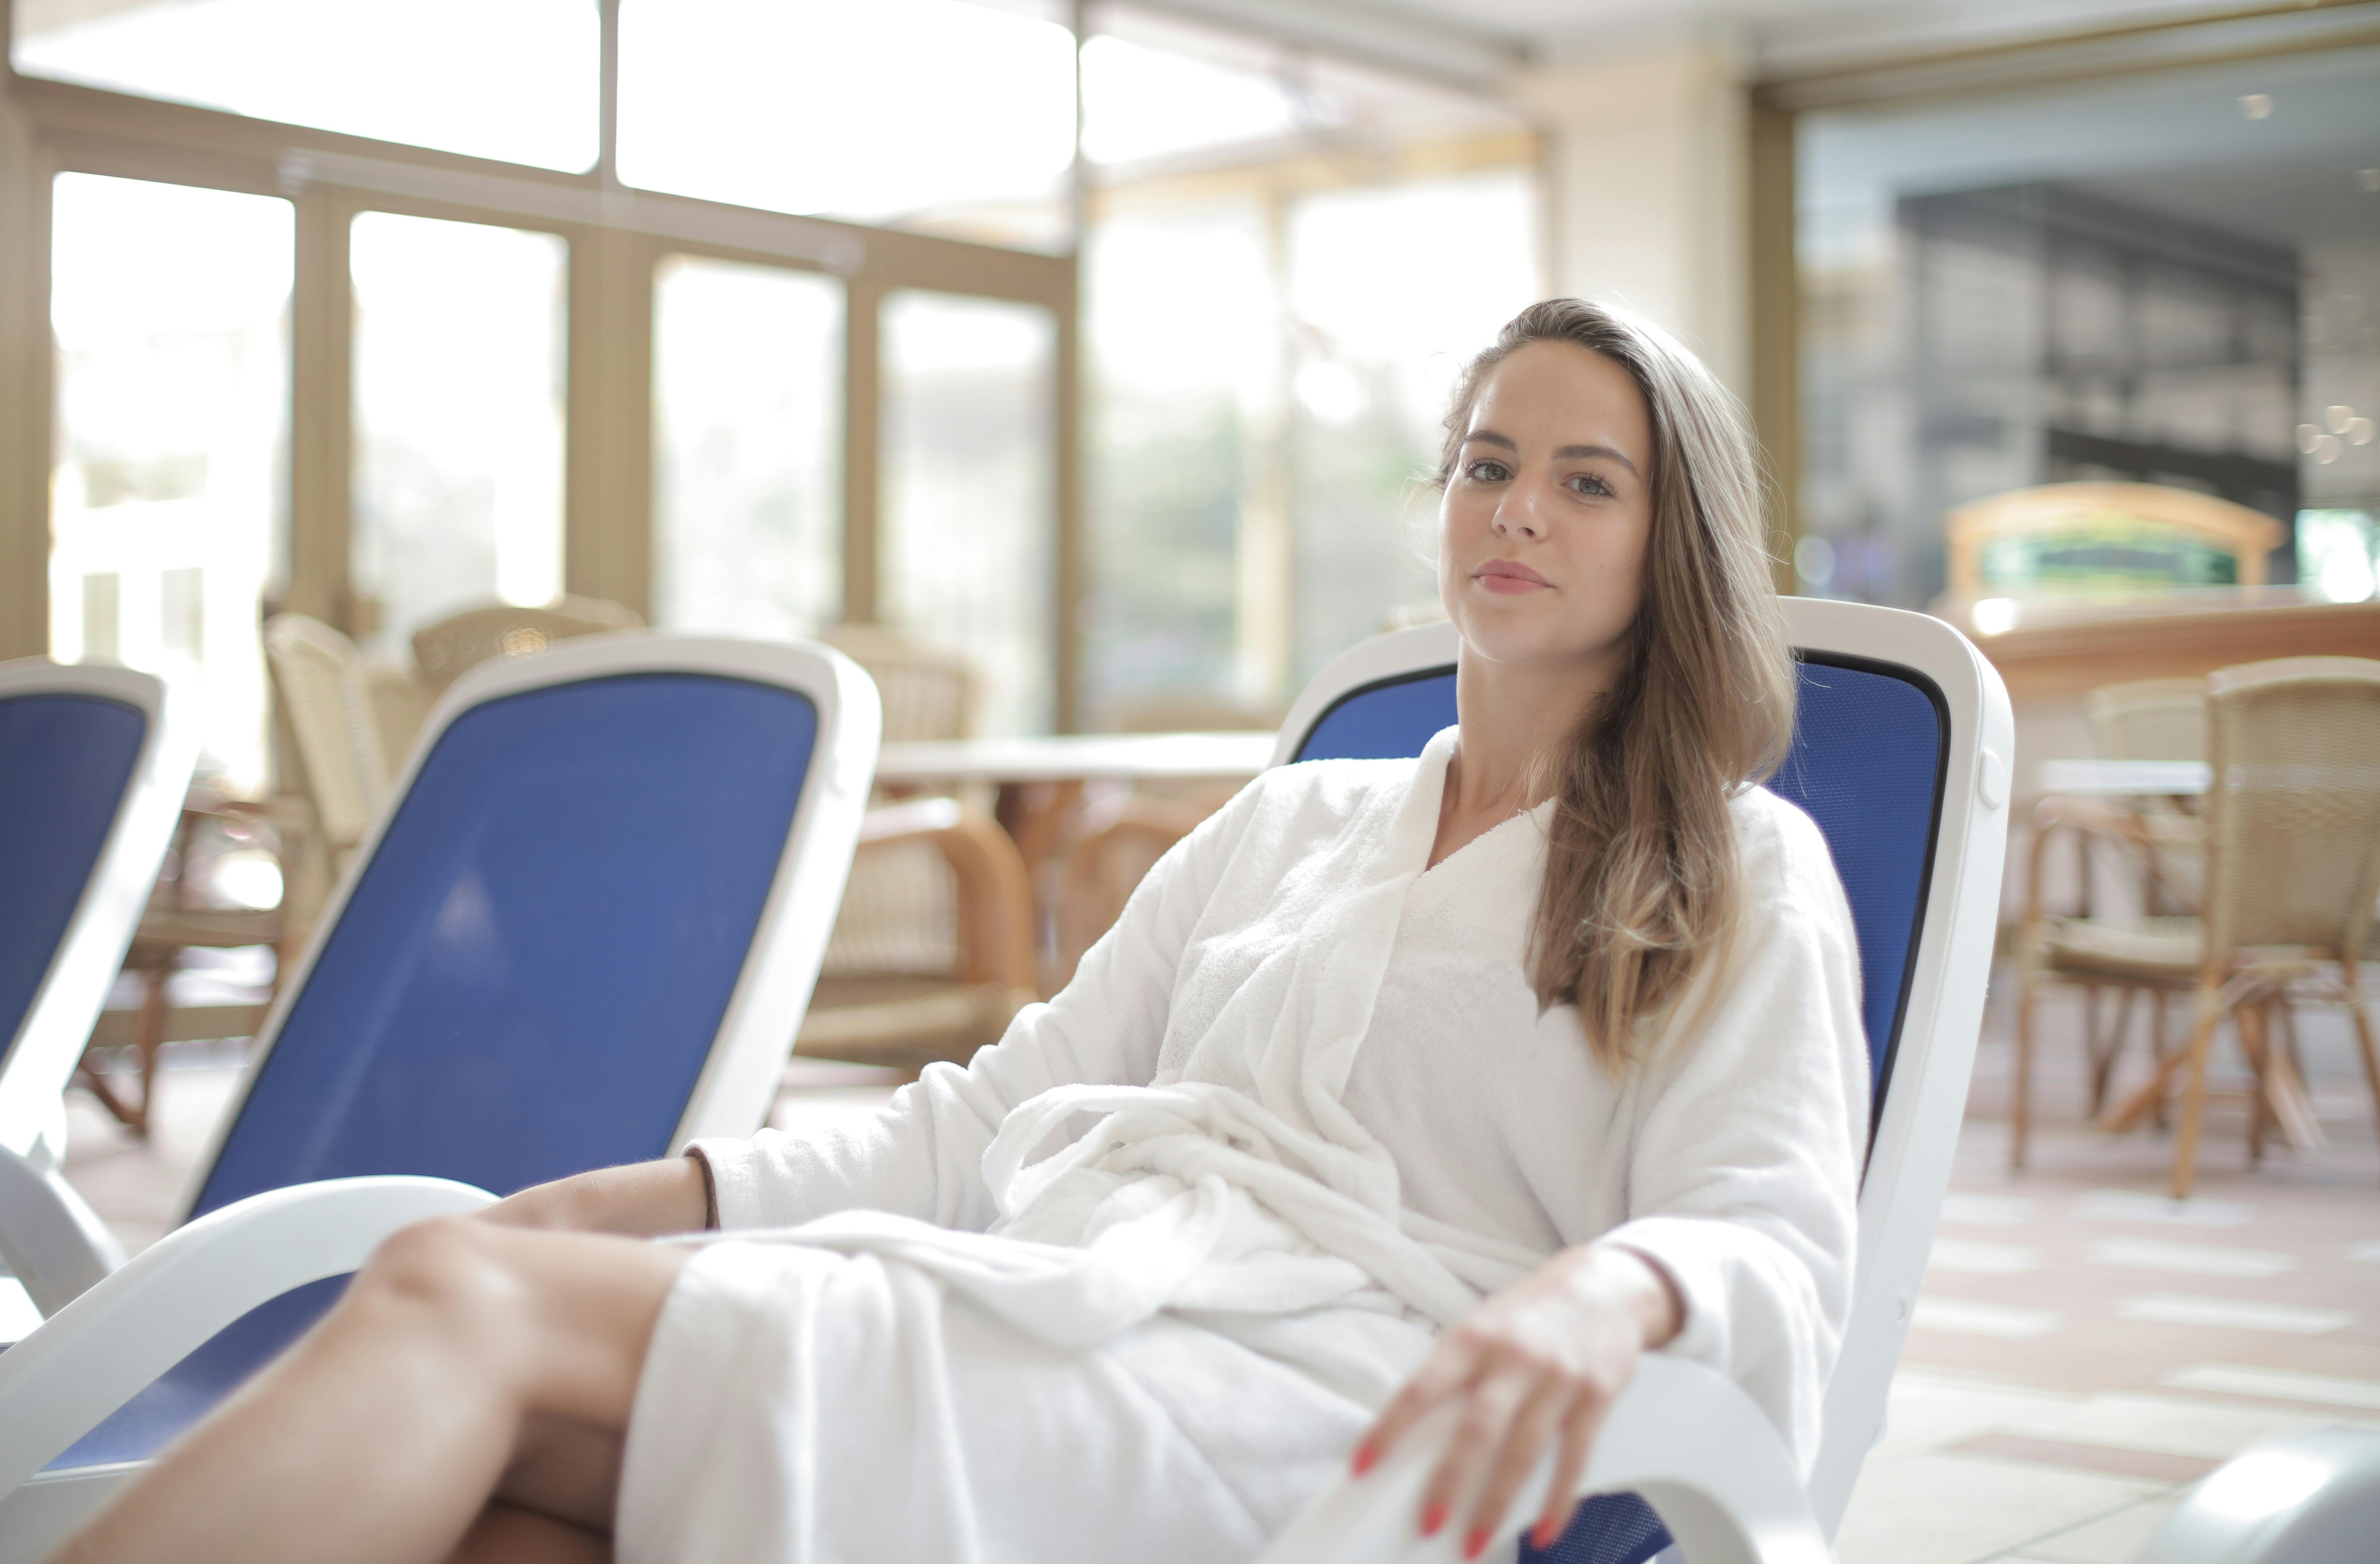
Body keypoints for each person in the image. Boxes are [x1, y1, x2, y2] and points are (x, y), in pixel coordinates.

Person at [51, 300, 1865, 1564]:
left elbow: (1775, 1234)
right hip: (1062, 1294)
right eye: (1487, 462)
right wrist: (648, 1197)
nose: (1520, 507)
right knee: (509, 1520)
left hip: (1331, 1419)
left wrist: (1607, 1294)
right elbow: (990, 1117)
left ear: (1667, 543)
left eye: (1587, 479)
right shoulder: (1299, 823)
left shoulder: (1735, 869)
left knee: (455, 1301)